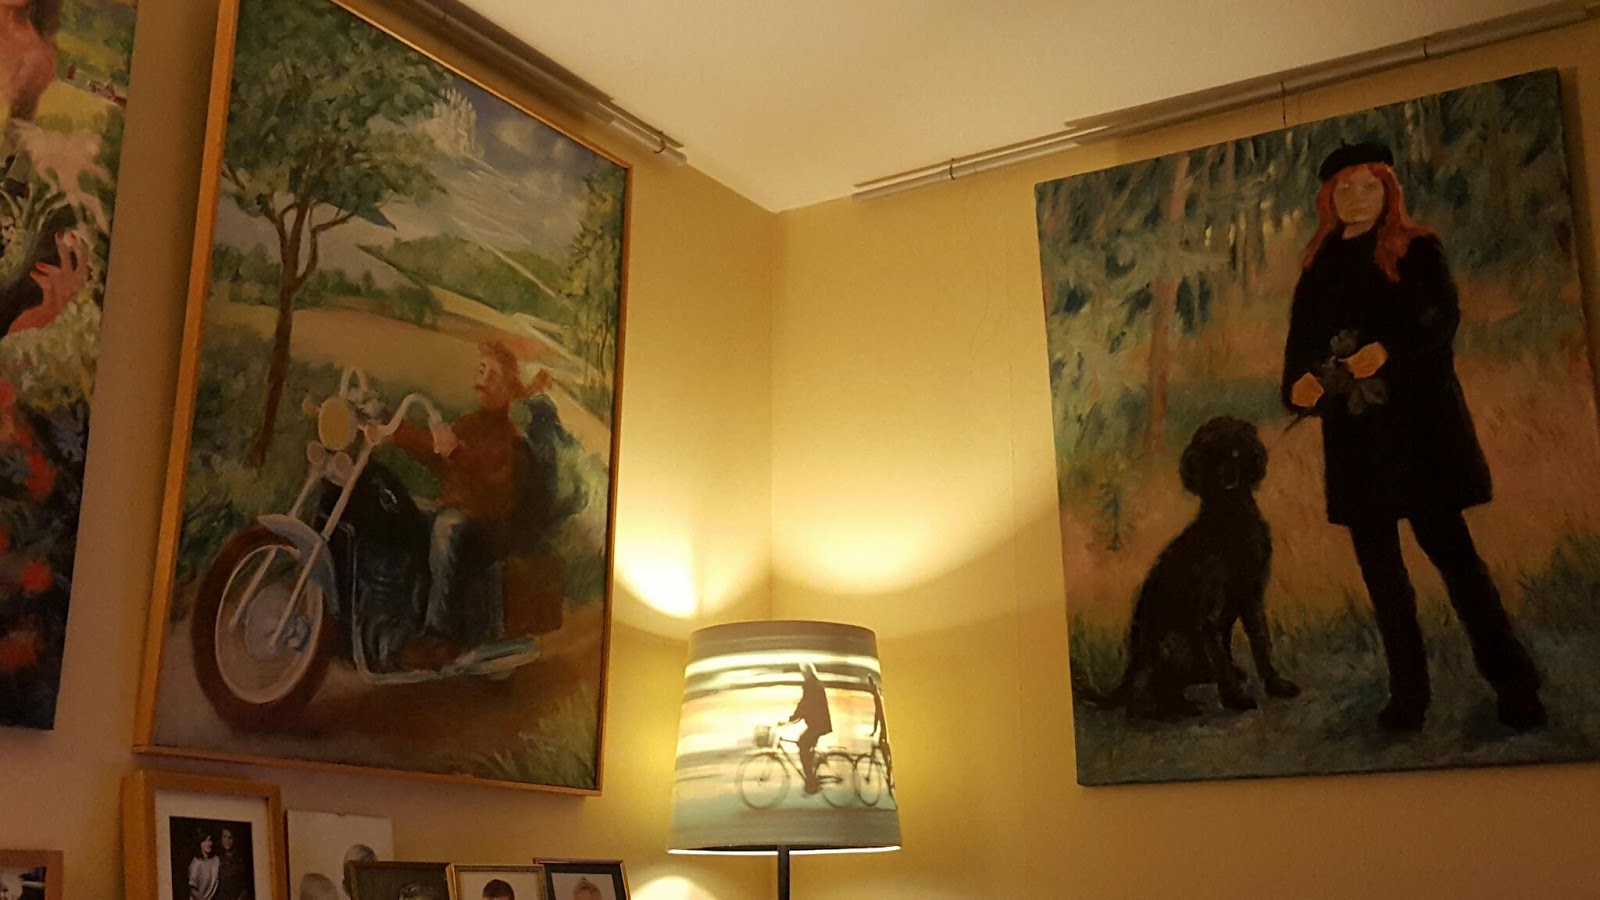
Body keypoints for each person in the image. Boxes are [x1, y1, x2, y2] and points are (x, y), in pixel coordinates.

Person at [1282, 141, 1544, 733]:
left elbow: (1440, 320)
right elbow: (1302, 342)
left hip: (1422, 432)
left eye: (1368, 186)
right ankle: (1408, 695)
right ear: (1328, 198)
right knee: (1383, 575)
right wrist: (1299, 384)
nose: (1357, 198)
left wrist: (1388, 352)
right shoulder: (1320, 262)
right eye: (1344, 188)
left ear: (1389, 191)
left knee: (1455, 557)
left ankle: (1515, 683)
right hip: (1356, 438)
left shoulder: (1418, 248)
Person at [392, 340, 549, 669]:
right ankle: (396, 618)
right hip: (460, 513)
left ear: (510, 388)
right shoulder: (470, 423)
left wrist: (456, 452)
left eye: (493, 376)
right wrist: (394, 432)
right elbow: (437, 454)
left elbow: (494, 486)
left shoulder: (512, 439)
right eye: (481, 371)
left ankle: (441, 637)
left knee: (446, 526)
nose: (483, 381)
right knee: (399, 507)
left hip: (487, 526)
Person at [786, 662, 833, 794]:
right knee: (805, 745)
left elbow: (805, 704)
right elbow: (805, 705)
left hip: (818, 724)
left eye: (803, 672)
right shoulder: (814, 684)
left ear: (807, 672)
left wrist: (793, 717)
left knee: (802, 744)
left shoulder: (811, 686)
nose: (802, 674)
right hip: (819, 723)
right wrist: (795, 717)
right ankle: (812, 772)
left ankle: (811, 782)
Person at [216, 825, 249, 900]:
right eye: (225, 837)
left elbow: (244, 885)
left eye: (230, 837)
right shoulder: (217, 858)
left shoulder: (240, 859)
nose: (227, 840)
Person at [187, 826, 220, 900]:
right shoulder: (196, 862)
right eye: (204, 841)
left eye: (209, 840)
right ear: (200, 843)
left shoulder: (216, 860)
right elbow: (192, 888)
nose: (208, 844)